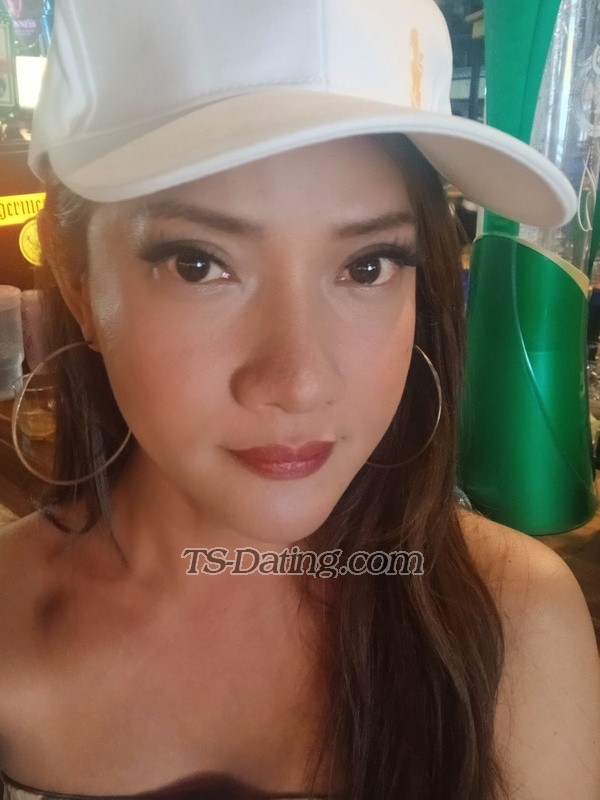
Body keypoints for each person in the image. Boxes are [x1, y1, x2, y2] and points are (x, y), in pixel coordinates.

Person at [0, 1, 599, 799]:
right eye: (198, 264)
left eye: (367, 266)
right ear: (77, 281)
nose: (300, 382)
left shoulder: (515, 622)